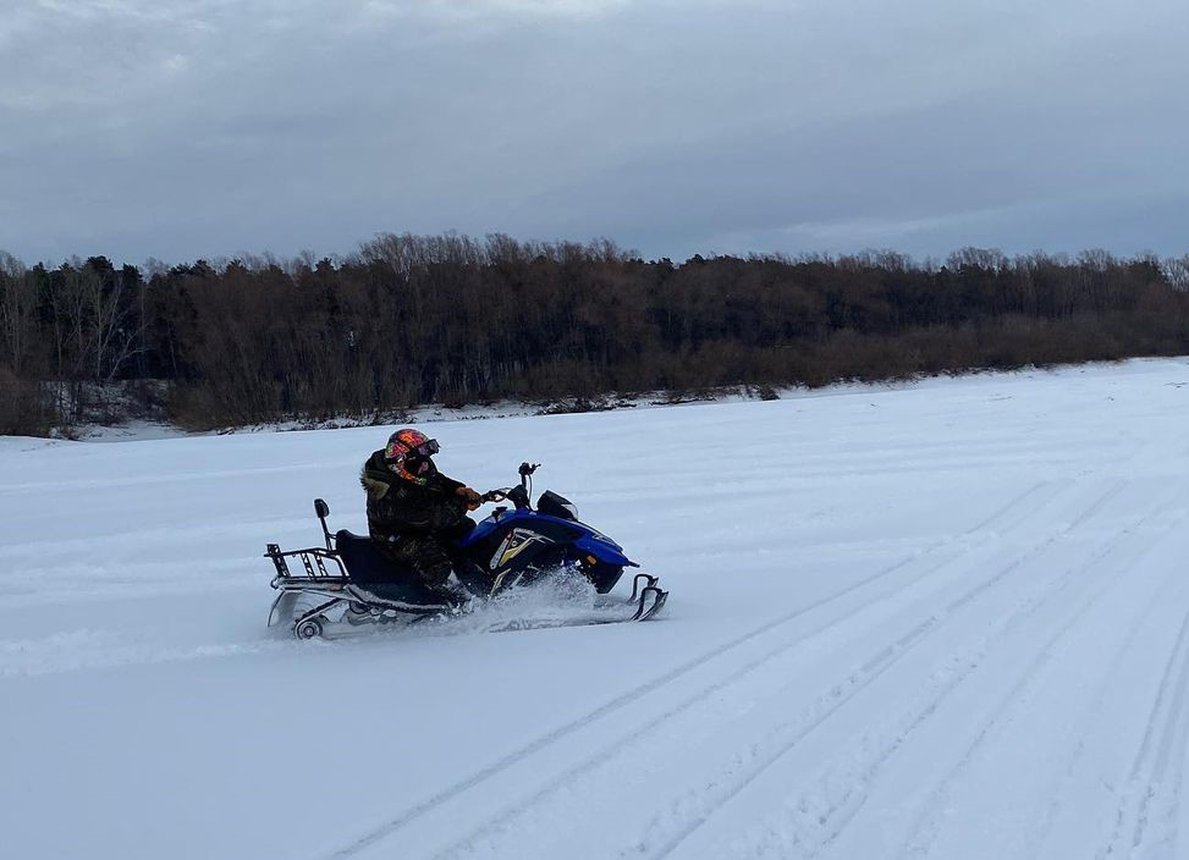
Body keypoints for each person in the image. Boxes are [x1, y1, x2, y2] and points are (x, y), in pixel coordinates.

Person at [359, 428, 484, 603]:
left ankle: (475, 571)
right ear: (401, 463)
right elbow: (430, 517)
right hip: (398, 536)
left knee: (466, 527)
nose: (425, 465)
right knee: (433, 560)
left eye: (426, 460)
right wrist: (462, 504)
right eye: (420, 462)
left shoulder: (415, 468)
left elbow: (436, 479)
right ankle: (455, 600)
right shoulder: (386, 495)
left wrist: (456, 488)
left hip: (418, 524)